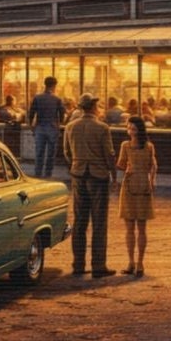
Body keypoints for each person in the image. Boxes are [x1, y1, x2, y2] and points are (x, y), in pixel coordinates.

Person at [64, 94, 119, 277]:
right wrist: (113, 175)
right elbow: (109, 154)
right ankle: (98, 266)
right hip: (98, 177)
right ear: (94, 107)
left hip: (78, 176)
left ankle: (78, 264)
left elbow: (66, 152)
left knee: (79, 221)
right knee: (99, 222)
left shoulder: (71, 127)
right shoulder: (102, 128)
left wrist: (76, 165)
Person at [116, 116, 158, 275]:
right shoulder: (149, 146)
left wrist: (125, 167)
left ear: (139, 130)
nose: (130, 131)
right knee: (140, 228)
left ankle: (133, 262)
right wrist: (152, 180)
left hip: (130, 185)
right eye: (129, 128)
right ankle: (138, 263)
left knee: (131, 228)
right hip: (143, 185)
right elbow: (153, 165)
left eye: (132, 128)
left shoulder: (125, 145)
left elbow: (120, 164)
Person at [26, 74, 69, 179]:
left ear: (45, 85)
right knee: (50, 154)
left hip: (40, 128)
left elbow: (31, 113)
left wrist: (32, 126)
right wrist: (59, 124)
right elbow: (62, 113)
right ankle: (48, 174)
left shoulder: (37, 98)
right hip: (52, 128)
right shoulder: (57, 99)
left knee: (39, 152)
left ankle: (38, 173)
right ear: (54, 86)